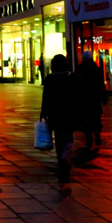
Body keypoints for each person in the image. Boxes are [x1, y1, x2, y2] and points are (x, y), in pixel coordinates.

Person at [39, 54, 80, 182]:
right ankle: (66, 156)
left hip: (54, 113)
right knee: (68, 136)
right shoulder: (72, 78)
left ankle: (61, 158)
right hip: (69, 113)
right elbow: (78, 96)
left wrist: (43, 113)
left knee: (58, 137)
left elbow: (45, 99)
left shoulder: (50, 79)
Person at [76, 51, 109, 152]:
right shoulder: (97, 69)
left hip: (84, 98)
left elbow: (76, 84)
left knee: (86, 119)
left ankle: (89, 140)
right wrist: (104, 96)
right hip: (95, 98)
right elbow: (101, 83)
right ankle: (97, 135)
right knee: (96, 118)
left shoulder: (79, 69)